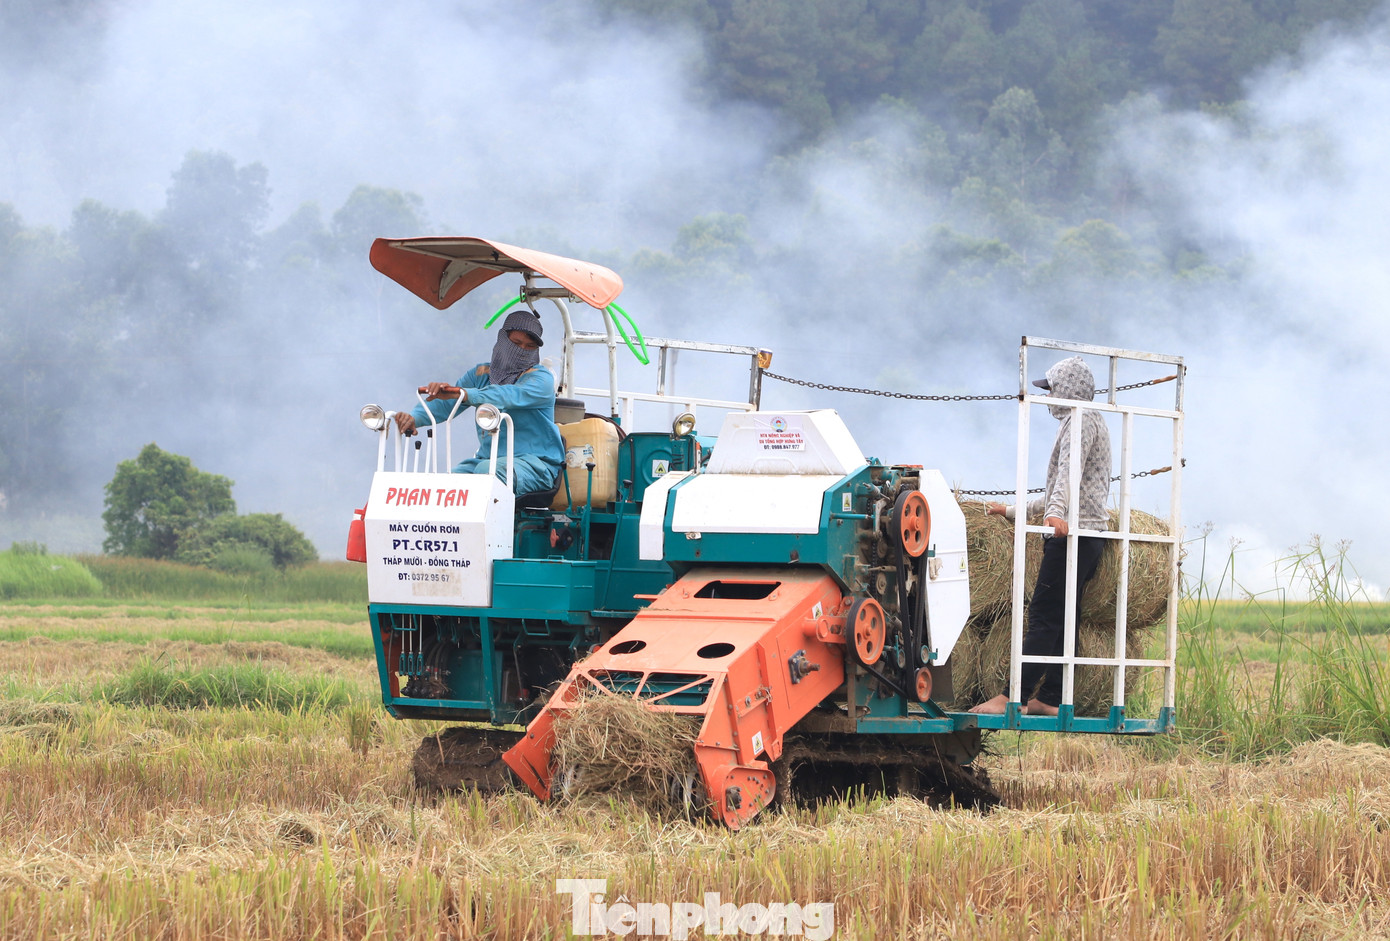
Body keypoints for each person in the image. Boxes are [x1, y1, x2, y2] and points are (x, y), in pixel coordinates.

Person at [970, 355, 1112, 717]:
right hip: (1087, 533)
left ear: (1066, 392)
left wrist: (1056, 514)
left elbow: (1068, 473)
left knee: (1045, 615)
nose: (1049, 398)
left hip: (1072, 534)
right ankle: (1050, 698)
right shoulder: (1087, 419)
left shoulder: (1078, 420)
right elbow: (1058, 488)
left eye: (1052, 391)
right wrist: (1014, 511)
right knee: (1065, 617)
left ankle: (1010, 697)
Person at [393, 309, 564, 495]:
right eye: (516, 343)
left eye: (529, 346)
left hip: (536, 465)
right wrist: (415, 417)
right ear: (503, 341)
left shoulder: (541, 379)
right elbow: (447, 403)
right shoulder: (480, 374)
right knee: (446, 485)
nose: (522, 350)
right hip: (488, 460)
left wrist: (464, 394)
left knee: (487, 472)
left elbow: (506, 395)